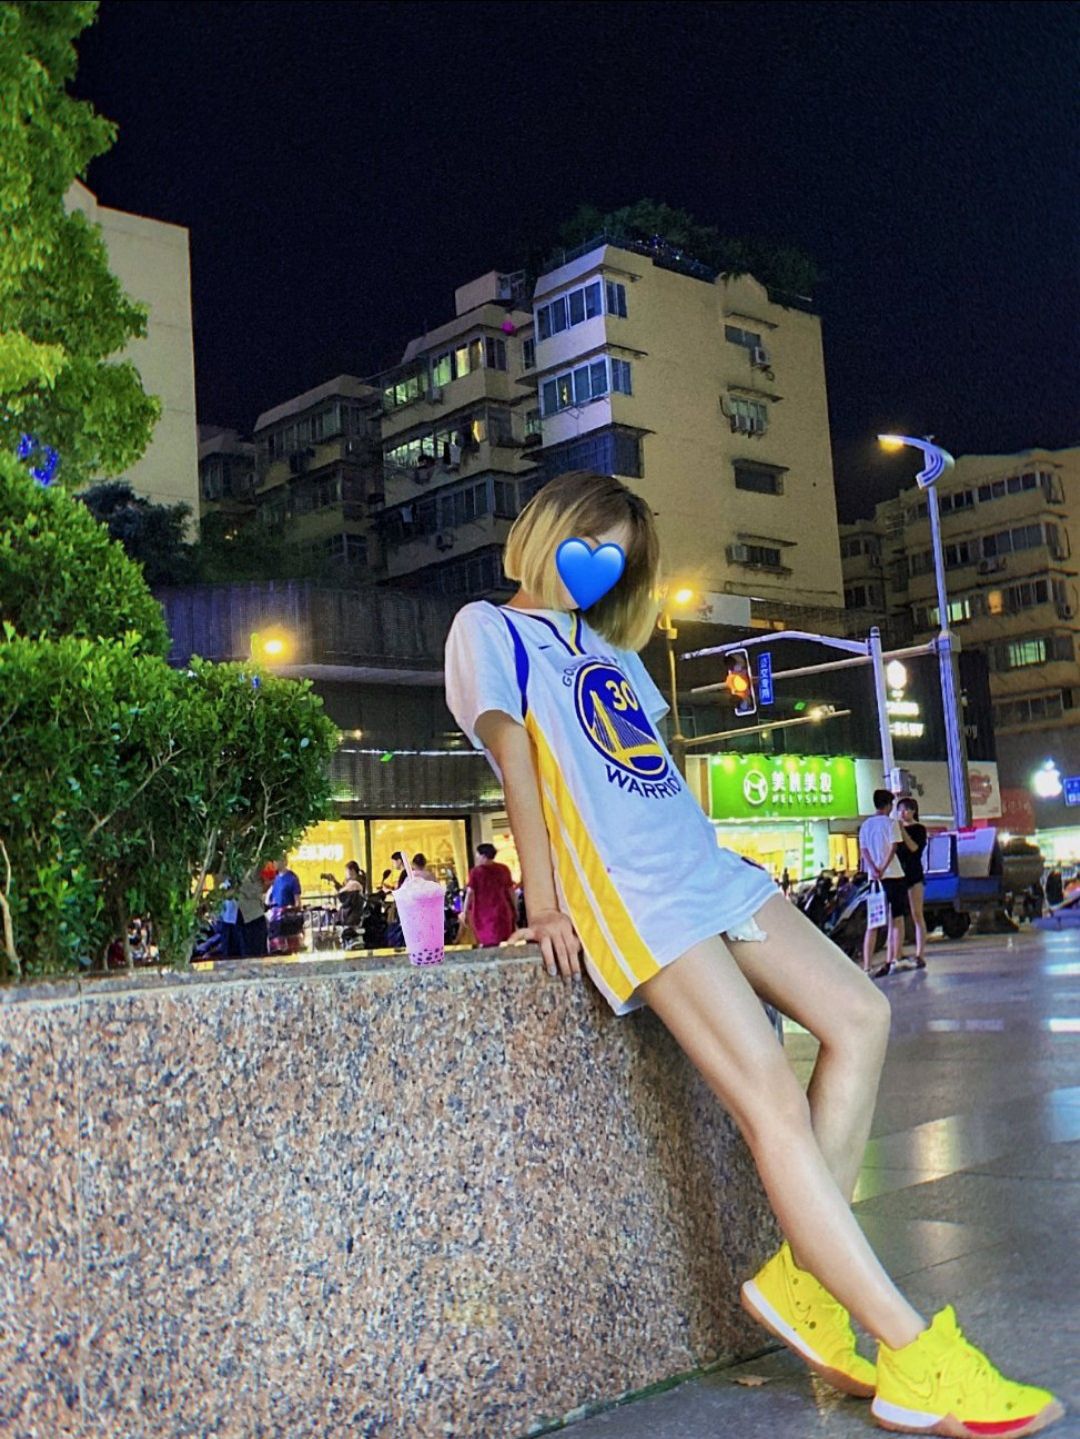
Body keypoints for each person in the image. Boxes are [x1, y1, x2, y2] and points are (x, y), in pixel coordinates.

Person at [442, 469, 1061, 1438]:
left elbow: (649, 768)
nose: (598, 571)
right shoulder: (489, 628)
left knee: (862, 1013)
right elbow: (517, 761)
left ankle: (806, 1281)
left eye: (617, 561)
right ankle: (911, 1349)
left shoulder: (608, 645)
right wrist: (546, 902)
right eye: (588, 546)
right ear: (547, 529)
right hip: (634, 893)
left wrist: (721, 860)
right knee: (769, 1096)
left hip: (704, 866)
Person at [859, 790, 907, 980]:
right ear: (888, 805)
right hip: (893, 876)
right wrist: (884, 867)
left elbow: (864, 850)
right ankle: (895, 958)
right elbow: (894, 848)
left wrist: (874, 869)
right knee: (897, 919)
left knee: (873, 922)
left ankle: (867, 966)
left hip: (874, 880)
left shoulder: (866, 825)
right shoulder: (891, 823)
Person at [460, 843, 518, 947]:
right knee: (502, 939)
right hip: (502, 910)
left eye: (477, 854)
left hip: (482, 912)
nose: (476, 857)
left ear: (483, 856)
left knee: (487, 940)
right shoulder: (503, 869)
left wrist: (464, 911)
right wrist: (514, 907)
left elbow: (470, 893)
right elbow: (510, 891)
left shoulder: (476, 872)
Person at [897, 798, 928, 969]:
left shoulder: (919, 829)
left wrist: (902, 831)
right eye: (900, 810)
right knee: (898, 917)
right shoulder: (895, 829)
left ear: (914, 811)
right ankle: (897, 953)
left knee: (917, 914)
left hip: (914, 874)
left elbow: (915, 848)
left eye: (906, 809)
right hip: (898, 875)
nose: (903, 813)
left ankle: (920, 954)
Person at [322, 860, 366, 931]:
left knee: (328, 918)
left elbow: (342, 891)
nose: (345, 873)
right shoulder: (350, 882)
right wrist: (334, 881)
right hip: (348, 912)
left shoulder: (356, 883)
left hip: (351, 914)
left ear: (352, 870)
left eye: (346, 871)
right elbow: (342, 890)